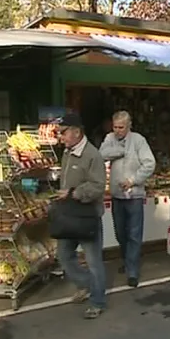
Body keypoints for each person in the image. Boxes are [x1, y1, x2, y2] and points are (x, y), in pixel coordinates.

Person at [55, 114, 107, 319]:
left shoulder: (93, 155)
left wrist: (73, 193)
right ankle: (86, 284)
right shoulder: (67, 153)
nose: (61, 137)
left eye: (64, 132)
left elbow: (98, 186)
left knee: (94, 262)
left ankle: (97, 302)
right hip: (68, 216)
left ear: (77, 132)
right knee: (63, 256)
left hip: (87, 217)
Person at [100, 110, 156, 288]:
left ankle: (132, 271)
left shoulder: (139, 140)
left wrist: (133, 180)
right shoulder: (109, 138)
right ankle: (127, 259)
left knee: (134, 233)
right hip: (116, 194)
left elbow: (150, 163)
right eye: (115, 127)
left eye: (121, 127)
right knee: (120, 232)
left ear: (129, 126)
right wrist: (120, 151)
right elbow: (101, 154)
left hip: (134, 194)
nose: (117, 131)